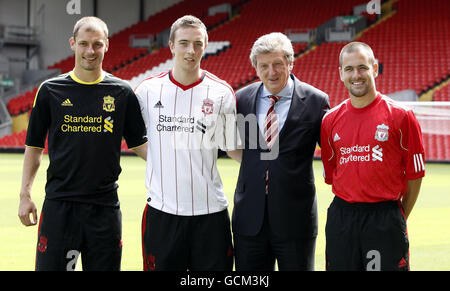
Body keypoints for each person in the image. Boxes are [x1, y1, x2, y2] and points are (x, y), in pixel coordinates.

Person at [17, 16, 147, 271]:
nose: (90, 51)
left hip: (105, 209)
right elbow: (34, 147)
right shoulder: (50, 90)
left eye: (97, 44)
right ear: (72, 43)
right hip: (59, 207)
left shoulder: (122, 92)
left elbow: (142, 146)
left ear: (106, 45)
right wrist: (24, 195)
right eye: (84, 43)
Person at [134, 15, 241, 271]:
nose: (190, 50)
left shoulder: (221, 92)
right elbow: (134, 139)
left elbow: (232, 147)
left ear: (205, 45)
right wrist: (161, 157)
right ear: (171, 45)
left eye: (197, 43)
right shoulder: (147, 90)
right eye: (183, 43)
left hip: (210, 213)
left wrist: (270, 169)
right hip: (162, 213)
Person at [320, 41, 425, 271]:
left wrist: (397, 215)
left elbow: (415, 175)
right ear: (340, 74)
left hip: (384, 218)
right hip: (342, 218)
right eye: (348, 69)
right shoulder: (330, 120)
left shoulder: (402, 116)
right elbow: (333, 173)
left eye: (362, 67)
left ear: (375, 69)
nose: (356, 75)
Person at [232, 32, 330, 271]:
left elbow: (331, 153)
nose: (271, 72)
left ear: (290, 63)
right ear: (255, 67)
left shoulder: (317, 101)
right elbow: (231, 146)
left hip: (296, 219)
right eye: (263, 66)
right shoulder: (241, 99)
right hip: (249, 219)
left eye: (277, 64)